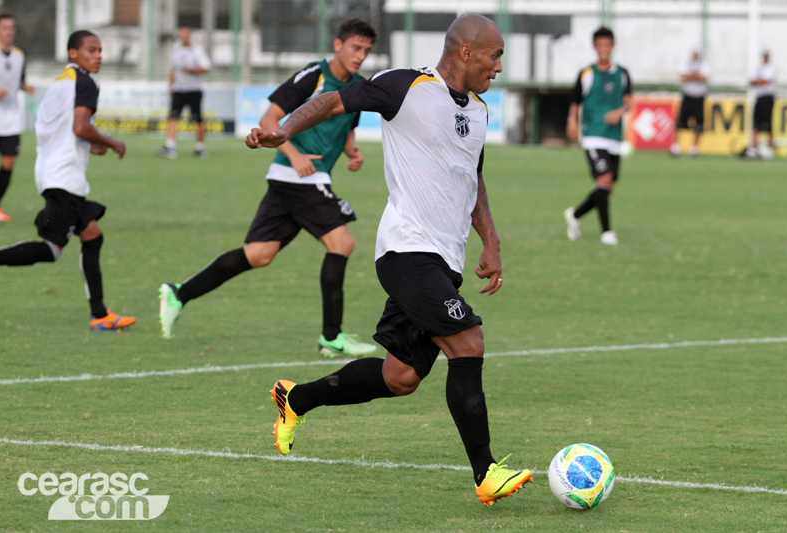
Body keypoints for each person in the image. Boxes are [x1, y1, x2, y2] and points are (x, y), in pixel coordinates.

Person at [246, 14, 532, 506]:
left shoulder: (481, 111)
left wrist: (491, 240)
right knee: (468, 342)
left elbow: (473, 179)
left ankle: (297, 398)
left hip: (445, 259)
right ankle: (486, 473)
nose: (499, 67)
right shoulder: (406, 86)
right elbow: (335, 100)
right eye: (495, 55)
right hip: (406, 251)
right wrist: (283, 130)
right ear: (466, 52)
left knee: (399, 378)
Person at [159, 19, 378, 357]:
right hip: (300, 177)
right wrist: (294, 154)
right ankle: (332, 338)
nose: (361, 55)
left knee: (259, 255)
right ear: (338, 45)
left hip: (293, 181)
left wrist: (352, 152)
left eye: (366, 50)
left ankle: (179, 293)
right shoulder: (314, 76)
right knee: (342, 243)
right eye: (356, 47)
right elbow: (268, 119)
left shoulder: (357, 87)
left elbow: (347, 126)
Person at [0, 30, 135, 330]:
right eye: (91, 50)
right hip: (64, 177)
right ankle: (99, 315)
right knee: (51, 250)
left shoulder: (62, 80)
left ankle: (100, 315)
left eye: (100, 50)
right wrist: (110, 142)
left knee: (92, 236)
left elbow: (62, 128)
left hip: (53, 171)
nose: (98, 55)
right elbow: (79, 126)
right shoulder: (85, 82)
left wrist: (92, 142)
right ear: (73, 53)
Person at [564, 26, 632, 246]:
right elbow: (575, 101)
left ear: (613, 46)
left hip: (614, 137)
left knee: (608, 187)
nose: (603, 49)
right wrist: (572, 120)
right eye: (599, 45)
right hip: (593, 135)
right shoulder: (587, 73)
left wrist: (619, 112)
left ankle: (574, 215)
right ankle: (607, 232)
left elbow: (628, 101)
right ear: (595, 47)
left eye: (607, 44)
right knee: (604, 181)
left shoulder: (622, 73)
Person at [0, 12, 35, 222]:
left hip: (11, 120)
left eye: (12, 27)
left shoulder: (20, 54)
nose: (9, 31)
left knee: (9, 163)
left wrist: (24, 86)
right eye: (5, 27)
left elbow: (19, 79)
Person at [157, 26, 211, 159]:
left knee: (197, 119)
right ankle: (170, 146)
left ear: (190, 35)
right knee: (173, 117)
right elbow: (173, 70)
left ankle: (199, 147)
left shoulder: (197, 51)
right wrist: (171, 86)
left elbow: (207, 68)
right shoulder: (176, 51)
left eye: (186, 34)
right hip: (179, 90)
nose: (184, 37)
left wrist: (192, 70)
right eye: (181, 34)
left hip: (194, 90)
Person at [670, 48, 709, 157]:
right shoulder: (686, 64)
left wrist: (691, 76)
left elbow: (705, 78)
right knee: (680, 122)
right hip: (687, 96)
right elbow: (683, 77)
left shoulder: (704, 64)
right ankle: (675, 147)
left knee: (699, 124)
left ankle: (694, 149)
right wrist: (695, 75)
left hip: (699, 97)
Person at [744, 50, 777, 160]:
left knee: (768, 124)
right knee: (756, 124)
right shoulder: (758, 67)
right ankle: (753, 149)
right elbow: (752, 81)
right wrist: (758, 81)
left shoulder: (771, 67)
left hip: (767, 98)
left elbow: (765, 81)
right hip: (759, 97)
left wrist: (757, 81)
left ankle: (770, 148)